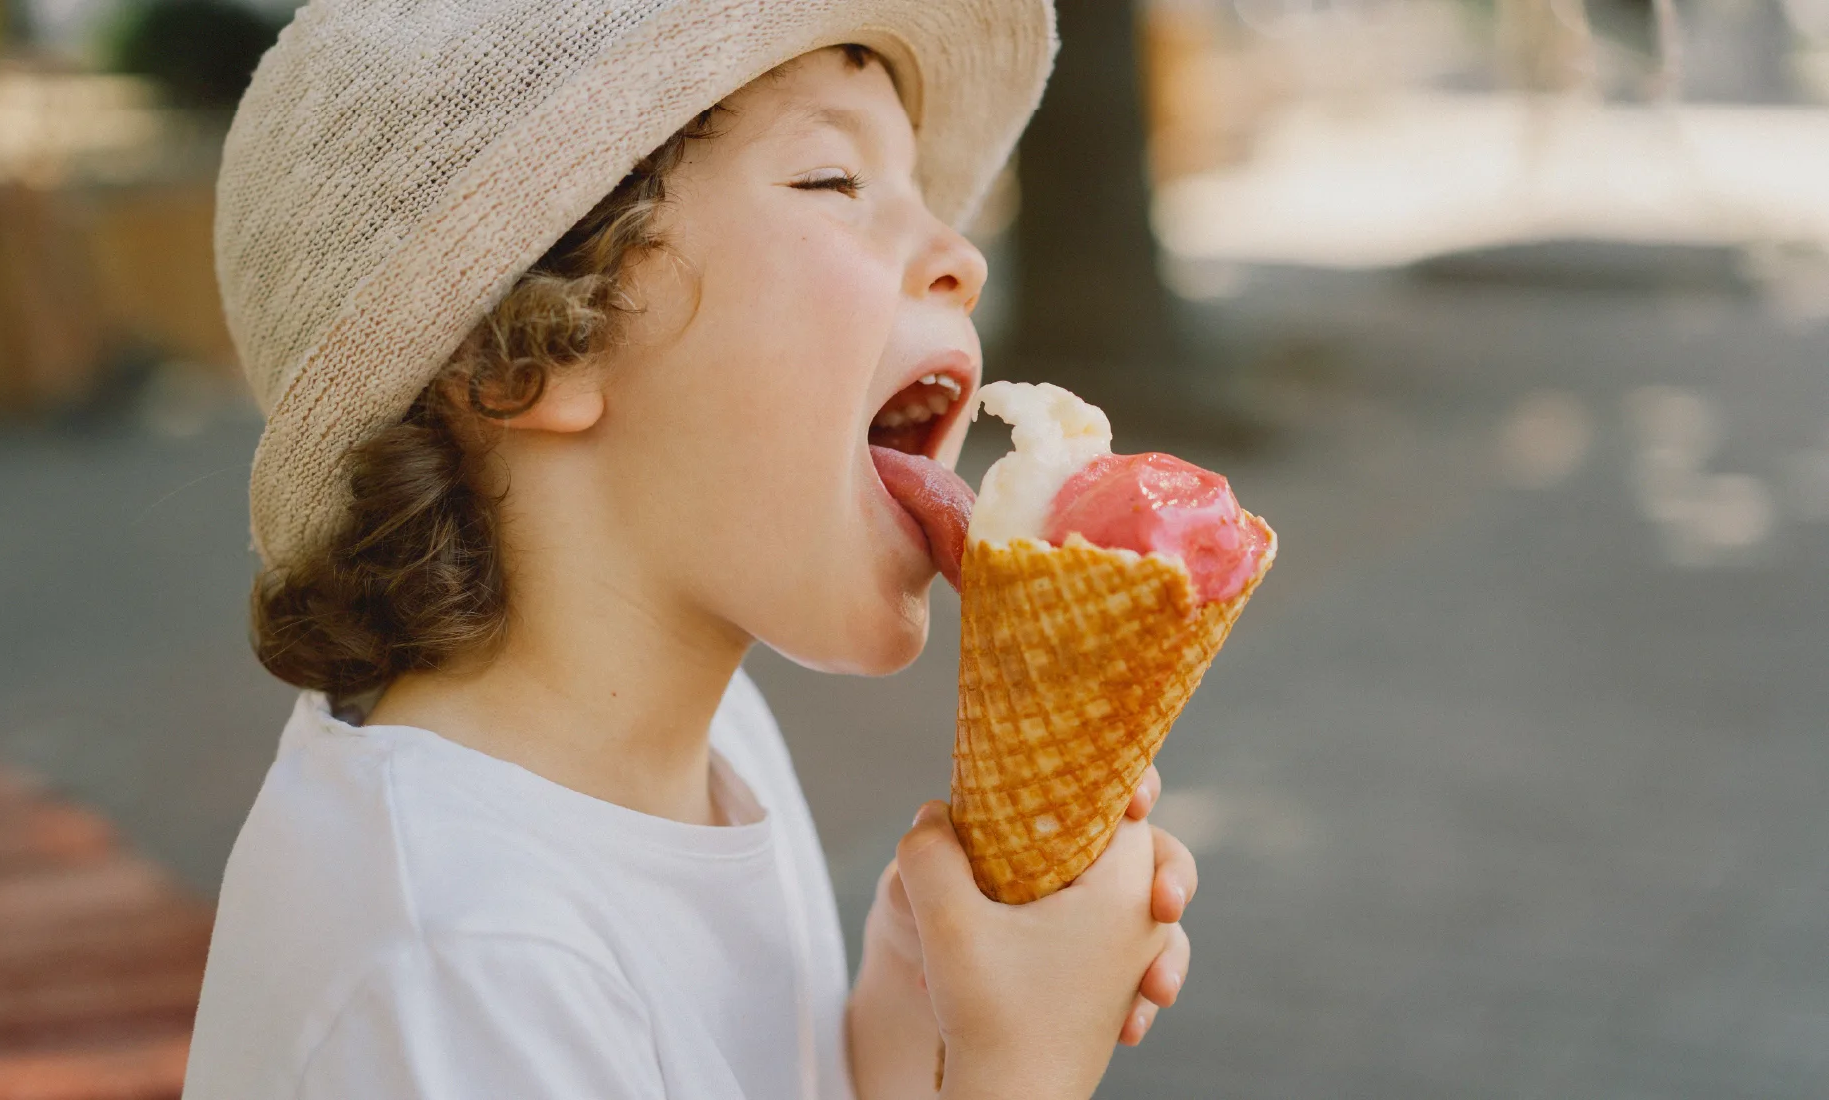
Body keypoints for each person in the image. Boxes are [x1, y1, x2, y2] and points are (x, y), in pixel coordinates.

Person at [184, 2, 1198, 1097]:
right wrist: (1025, 1067)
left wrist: (922, 1007)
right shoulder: (458, 959)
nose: (963, 257)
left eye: (918, 191)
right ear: (526, 355)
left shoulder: (713, 741)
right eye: (833, 180)